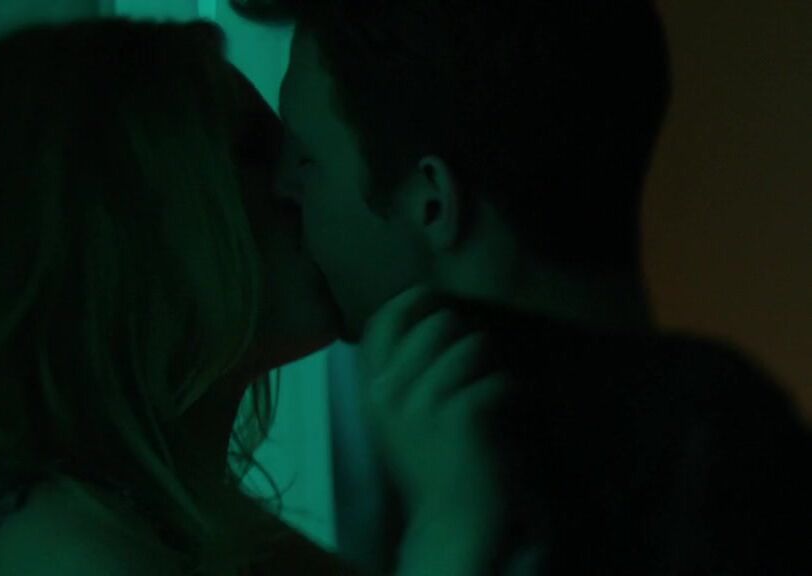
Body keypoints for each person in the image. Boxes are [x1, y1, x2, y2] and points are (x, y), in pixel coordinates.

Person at [231, 0, 812, 573]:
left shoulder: (520, 481)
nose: (282, 187)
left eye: (309, 160)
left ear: (432, 201)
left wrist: (446, 542)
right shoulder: (724, 431)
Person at [0, 17, 513, 576]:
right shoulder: (51, 551)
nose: (297, 186)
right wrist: (451, 528)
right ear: (119, 229)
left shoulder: (190, 524)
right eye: (250, 151)